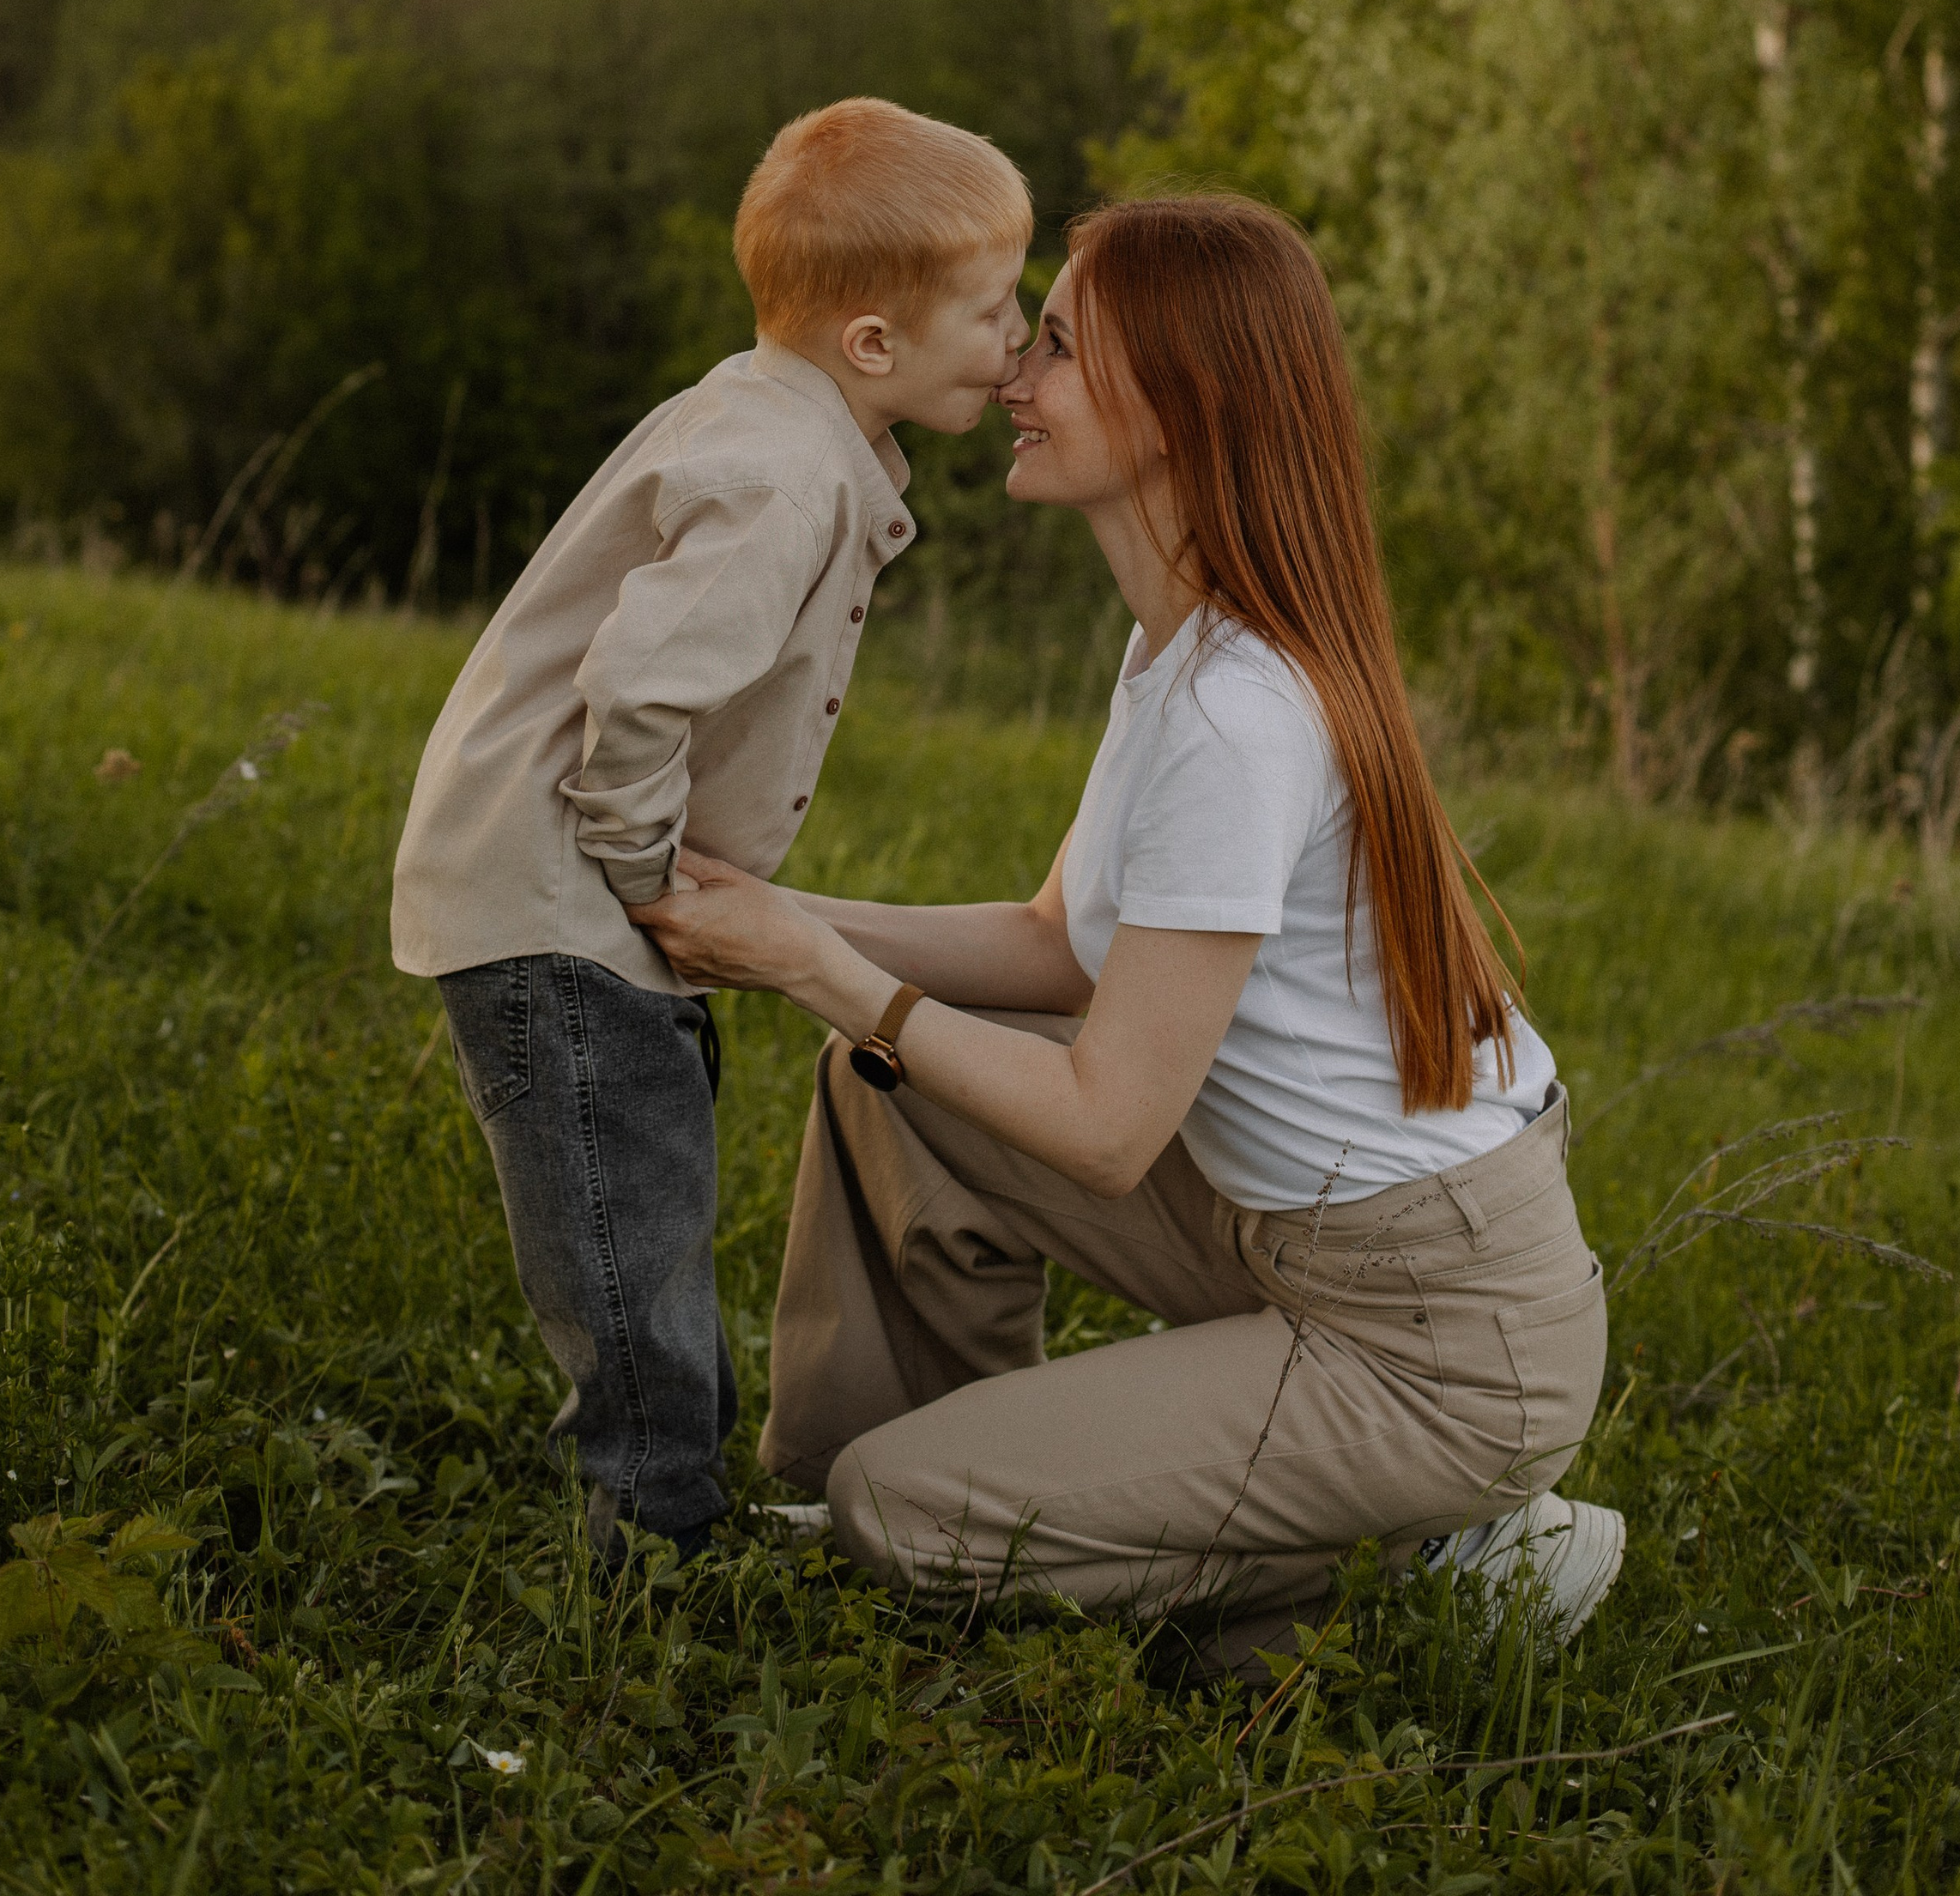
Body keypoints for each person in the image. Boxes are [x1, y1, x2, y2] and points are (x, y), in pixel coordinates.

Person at [632, 193, 1624, 1662]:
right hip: (1294, 1235)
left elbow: (1106, 1130)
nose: (1011, 383)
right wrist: (776, 918)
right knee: (888, 1097)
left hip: (1436, 1336)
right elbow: (1058, 944)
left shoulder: (1239, 711)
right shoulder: (1180, 644)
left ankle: (1412, 1568)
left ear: (1178, 405)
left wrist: (822, 971)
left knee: (914, 1515)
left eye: (1055, 348)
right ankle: (857, 1517)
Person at [391, 98, 1031, 1557]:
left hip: (575, 900)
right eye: (994, 312)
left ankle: (667, 1506)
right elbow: (640, 683)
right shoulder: (785, 477)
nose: (1018, 340)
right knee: (627, 1247)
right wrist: (640, 872)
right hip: (562, 901)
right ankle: (649, 1549)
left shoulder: (778, 424)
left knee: (646, 1203)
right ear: (873, 344)